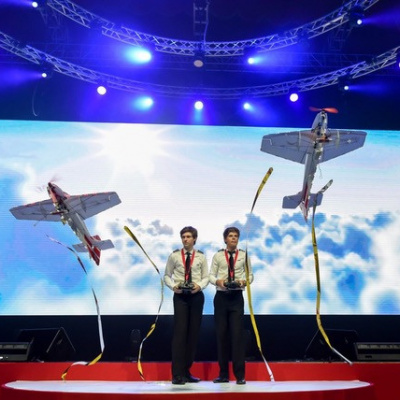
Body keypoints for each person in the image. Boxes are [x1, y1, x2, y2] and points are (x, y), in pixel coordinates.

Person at [164, 226, 209, 385]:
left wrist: (199, 286)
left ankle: (186, 371)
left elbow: (206, 277)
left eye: (188, 236)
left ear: (194, 239)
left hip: (196, 296)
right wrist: (173, 286)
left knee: (193, 335)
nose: (185, 239)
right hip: (180, 297)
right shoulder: (174, 256)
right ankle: (177, 374)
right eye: (183, 237)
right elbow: (167, 276)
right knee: (180, 334)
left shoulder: (201, 257)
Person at [209, 226, 253, 385]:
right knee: (221, 336)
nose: (233, 238)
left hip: (236, 298)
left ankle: (240, 375)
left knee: (237, 336)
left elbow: (250, 275)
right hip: (221, 297)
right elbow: (211, 276)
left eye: (236, 236)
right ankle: (223, 374)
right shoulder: (218, 256)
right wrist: (218, 281)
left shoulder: (244, 255)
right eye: (230, 236)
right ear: (225, 239)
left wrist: (243, 282)